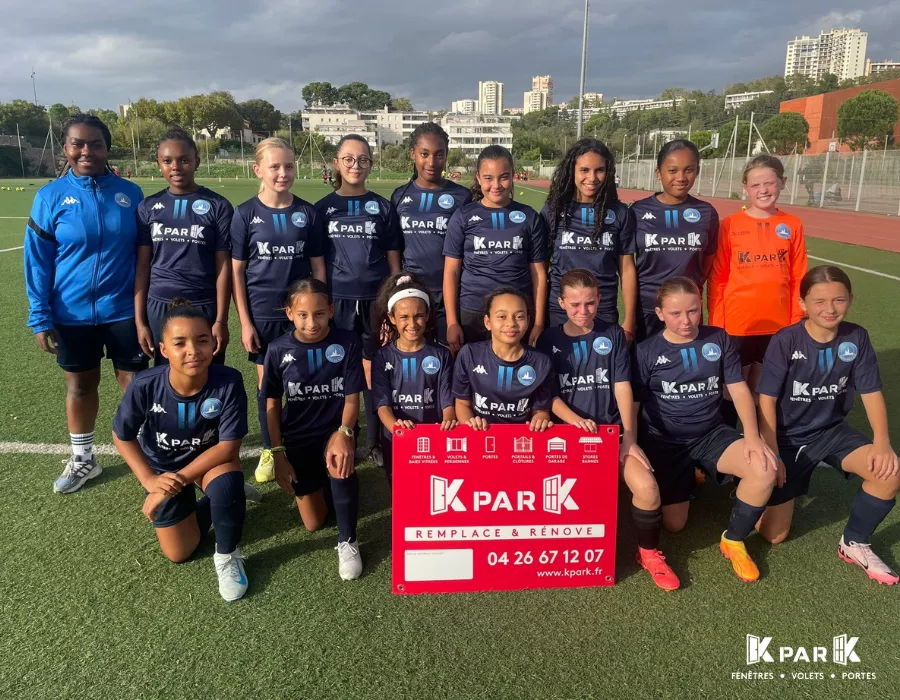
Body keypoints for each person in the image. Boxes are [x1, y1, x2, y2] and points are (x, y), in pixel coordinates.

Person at [24, 113, 147, 494]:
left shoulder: (131, 194)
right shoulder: (50, 197)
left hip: (124, 311)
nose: (86, 151)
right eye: (77, 143)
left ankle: (146, 452)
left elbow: (147, 256)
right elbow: (38, 261)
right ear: (66, 148)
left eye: (95, 143)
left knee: (135, 385)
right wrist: (40, 315)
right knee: (80, 385)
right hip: (71, 313)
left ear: (107, 148)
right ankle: (83, 459)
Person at [756, 266, 899, 585]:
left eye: (839, 300)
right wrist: (773, 451)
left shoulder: (856, 337)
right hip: (788, 437)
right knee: (773, 535)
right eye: (819, 301)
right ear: (803, 303)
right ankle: (753, 484)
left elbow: (871, 392)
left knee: (889, 472)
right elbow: (765, 400)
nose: (830, 309)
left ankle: (854, 543)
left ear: (851, 299)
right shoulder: (786, 339)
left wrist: (882, 442)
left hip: (831, 432)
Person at [536, 269, 677, 590]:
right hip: (567, 439)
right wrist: (573, 421)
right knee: (570, 501)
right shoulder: (548, 340)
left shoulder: (612, 334)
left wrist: (629, 438)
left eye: (589, 303)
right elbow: (548, 396)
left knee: (648, 489)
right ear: (561, 303)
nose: (583, 312)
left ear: (600, 299)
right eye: (574, 305)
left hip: (611, 437)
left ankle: (649, 553)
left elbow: (622, 386)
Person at [634, 277, 777, 583]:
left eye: (693, 311)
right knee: (675, 524)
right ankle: (690, 474)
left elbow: (737, 388)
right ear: (659, 313)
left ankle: (734, 540)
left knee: (764, 468)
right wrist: (633, 443)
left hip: (711, 435)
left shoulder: (718, 338)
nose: (686, 321)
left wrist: (752, 436)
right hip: (666, 443)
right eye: (675, 314)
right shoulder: (646, 351)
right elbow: (636, 403)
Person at [112, 299, 250, 602]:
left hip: (209, 461)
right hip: (163, 467)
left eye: (202, 340)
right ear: (164, 350)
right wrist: (151, 482)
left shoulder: (228, 381)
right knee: (179, 552)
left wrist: (179, 482)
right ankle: (222, 504)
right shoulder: (145, 385)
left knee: (226, 485)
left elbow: (228, 446)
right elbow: (121, 435)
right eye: (180, 343)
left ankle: (227, 555)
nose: (193, 350)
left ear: (213, 343)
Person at [231, 137, 327, 484]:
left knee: (304, 383)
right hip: (263, 316)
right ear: (258, 170)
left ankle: (307, 442)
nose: (283, 173)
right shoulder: (245, 214)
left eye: (288, 166)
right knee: (268, 388)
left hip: (302, 316)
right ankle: (272, 450)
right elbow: (237, 272)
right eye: (274, 167)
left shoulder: (307, 212)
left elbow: (318, 267)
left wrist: (320, 310)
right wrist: (245, 322)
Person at [263, 279, 365, 580]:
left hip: (334, 432)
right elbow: (270, 402)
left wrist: (345, 432)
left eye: (319, 314)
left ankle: (348, 540)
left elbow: (351, 397)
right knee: (313, 522)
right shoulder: (277, 349)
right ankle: (325, 482)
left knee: (338, 461)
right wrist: (277, 452)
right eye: (303, 315)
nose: (312, 323)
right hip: (296, 439)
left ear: (331, 311)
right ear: (289, 313)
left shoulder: (347, 341)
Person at [315, 134, 402, 467]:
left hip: (374, 303)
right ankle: (337, 433)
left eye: (363, 159)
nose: (355, 165)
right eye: (348, 159)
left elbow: (394, 263)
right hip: (338, 301)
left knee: (373, 372)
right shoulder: (322, 209)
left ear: (371, 164)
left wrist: (389, 305)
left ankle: (374, 440)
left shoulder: (382, 207)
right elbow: (319, 262)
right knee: (336, 368)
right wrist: (324, 302)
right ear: (337, 163)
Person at [707, 155, 808, 423]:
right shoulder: (730, 225)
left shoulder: (793, 224)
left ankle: (767, 443)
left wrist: (796, 320)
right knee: (730, 390)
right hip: (737, 325)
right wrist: (718, 323)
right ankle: (726, 448)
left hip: (777, 327)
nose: (763, 190)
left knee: (766, 389)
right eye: (755, 185)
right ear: (745, 187)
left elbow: (799, 275)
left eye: (770, 183)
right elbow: (718, 277)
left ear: (782, 183)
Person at [135, 128, 234, 365]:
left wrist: (221, 320)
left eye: (184, 160)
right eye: (167, 160)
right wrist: (140, 322)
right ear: (159, 163)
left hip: (202, 303)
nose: (176, 166)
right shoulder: (148, 207)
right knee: (166, 376)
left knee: (208, 374)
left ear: (197, 161)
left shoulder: (218, 206)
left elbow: (224, 267)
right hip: (159, 303)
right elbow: (142, 265)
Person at [444, 146, 549, 351]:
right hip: (473, 313)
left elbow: (538, 273)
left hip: (516, 317)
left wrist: (537, 323)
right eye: (488, 178)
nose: (496, 185)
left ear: (513, 175)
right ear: (478, 178)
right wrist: (452, 322)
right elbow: (451, 271)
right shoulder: (463, 217)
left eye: (503, 177)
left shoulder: (529, 217)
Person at [542, 138, 637, 342]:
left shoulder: (619, 213)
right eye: (584, 170)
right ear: (572, 171)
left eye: (599, 170)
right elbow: (540, 268)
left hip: (602, 308)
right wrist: (539, 321)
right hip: (561, 309)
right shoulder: (553, 210)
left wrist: (630, 319)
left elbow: (627, 268)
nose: (592, 178)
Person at [371, 273, 456, 486]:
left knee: (435, 487)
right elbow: (382, 406)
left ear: (427, 315)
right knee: (402, 490)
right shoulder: (382, 357)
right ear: (391, 318)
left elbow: (447, 401)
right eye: (404, 317)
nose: (412, 323)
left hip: (434, 438)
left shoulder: (441, 355)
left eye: (418, 315)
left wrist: (446, 423)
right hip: (397, 440)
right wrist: (397, 429)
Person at [390, 123, 472, 343]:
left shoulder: (462, 196)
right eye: (424, 154)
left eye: (439, 155)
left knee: (449, 354)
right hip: (412, 292)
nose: (431, 162)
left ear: (446, 156)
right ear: (413, 154)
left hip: (450, 294)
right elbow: (394, 247)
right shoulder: (399, 196)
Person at [630, 140, 719, 342]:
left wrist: (688, 287)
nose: (681, 177)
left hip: (687, 311)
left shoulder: (707, 213)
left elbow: (708, 261)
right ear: (658, 173)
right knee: (644, 368)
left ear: (697, 171)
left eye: (689, 170)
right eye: (672, 170)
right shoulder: (638, 211)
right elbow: (627, 263)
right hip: (647, 309)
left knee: (686, 370)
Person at [453, 287, 555, 430]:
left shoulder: (541, 362)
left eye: (519, 316)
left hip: (521, 443)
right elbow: (462, 403)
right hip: (480, 438)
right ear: (487, 322)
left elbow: (541, 411)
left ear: (528, 320)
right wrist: (471, 425)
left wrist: (540, 420)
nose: (511, 323)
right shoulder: (469, 354)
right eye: (502, 316)